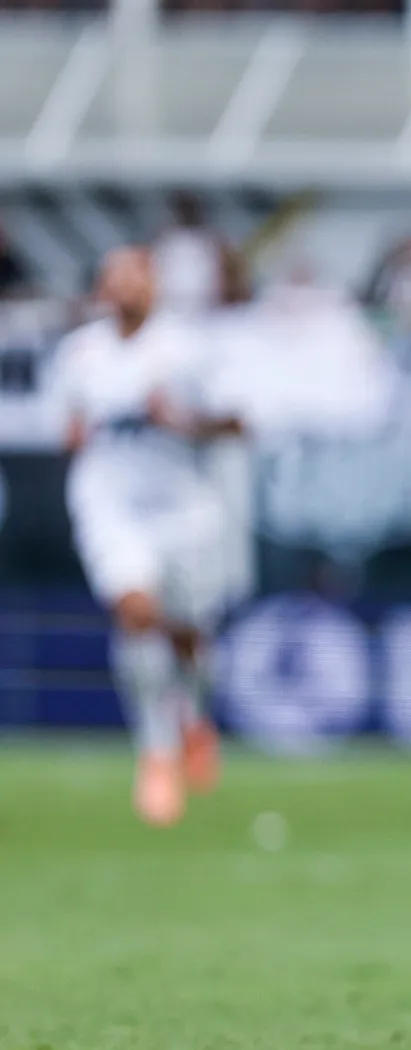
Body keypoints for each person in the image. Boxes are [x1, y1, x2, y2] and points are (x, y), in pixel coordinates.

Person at [49, 248, 236, 827]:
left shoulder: (189, 348)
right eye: (115, 278)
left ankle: (194, 715)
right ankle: (157, 754)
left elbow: (235, 421)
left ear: (154, 285)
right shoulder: (79, 353)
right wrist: (80, 434)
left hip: (180, 509)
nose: (126, 287)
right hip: (110, 504)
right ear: (103, 288)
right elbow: (68, 429)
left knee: (186, 636)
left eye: (137, 276)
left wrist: (177, 419)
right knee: (134, 611)